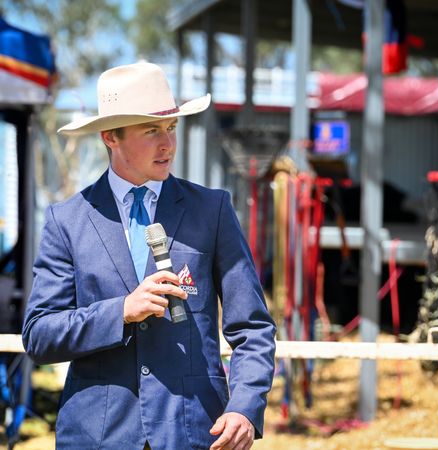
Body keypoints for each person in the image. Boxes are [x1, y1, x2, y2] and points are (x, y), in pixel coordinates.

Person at [22, 62, 276, 450]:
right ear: (111, 136)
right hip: (96, 437)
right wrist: (122, 311)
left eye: (171, 127)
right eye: (151, 130)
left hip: (195, 434)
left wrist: (244, 407)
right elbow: (40, 335)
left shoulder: (212, 210)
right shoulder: (66, 220)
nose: (168, 144)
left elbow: (253, 328)